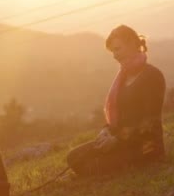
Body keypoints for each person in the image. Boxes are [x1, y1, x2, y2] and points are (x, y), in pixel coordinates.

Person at [67, 25, 166, 175]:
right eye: (112, 51)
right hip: (120, 142)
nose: (115, 55)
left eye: (118, 49)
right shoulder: (122, 78)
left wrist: (117, 140)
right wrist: (106, 131)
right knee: (74, 157)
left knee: (90, 165)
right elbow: (119, 115)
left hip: (144, 147)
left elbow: (149, 124)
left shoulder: (152, 76)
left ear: (133, 44)